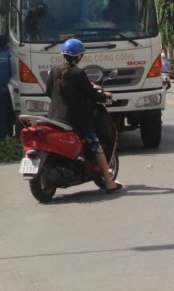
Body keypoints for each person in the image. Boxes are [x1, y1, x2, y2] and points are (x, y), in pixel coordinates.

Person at [45, 39, 122, 194]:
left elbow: (48, 91)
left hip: (54, 118)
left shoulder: (54, 70)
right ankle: (108, 181)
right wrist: (105, 96)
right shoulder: (78, 73)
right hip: (77, 120)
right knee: (96, 145)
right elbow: (91, 94)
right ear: (79, 56)